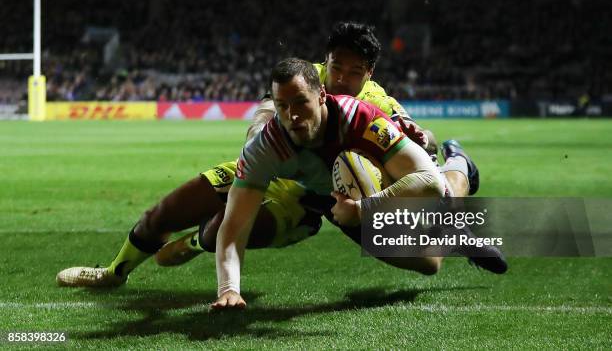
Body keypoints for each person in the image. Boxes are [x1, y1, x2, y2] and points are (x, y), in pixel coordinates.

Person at [55, 22, 483, 288]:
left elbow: (417, 146)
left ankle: (460, 167)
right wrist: (263, 131)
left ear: (369, 74)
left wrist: (417, 145)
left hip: (336, 197)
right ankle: (112, 274)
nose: (342, 78)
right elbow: (265, 107)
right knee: (163, 214)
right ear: (324, 64)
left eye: (355, 72)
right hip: (275, 174)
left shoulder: (376, 104)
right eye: (336, 68)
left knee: (429, 257)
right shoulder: (304, 79)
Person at [211, 58, 505, 309]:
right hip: (337, 198)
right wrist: (228, 289)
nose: (293, 115)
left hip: (384, 177)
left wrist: (364, 208)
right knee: (429, 264)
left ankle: (459, 163)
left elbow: (429, 182)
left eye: (301, 102)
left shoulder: (360, 118)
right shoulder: (264, 147)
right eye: (282, 106)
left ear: (322, 96)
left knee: (446, 196)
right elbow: (235, 225)